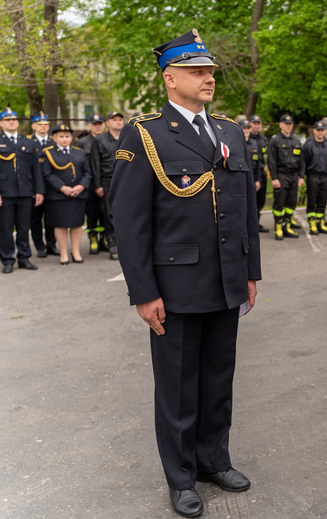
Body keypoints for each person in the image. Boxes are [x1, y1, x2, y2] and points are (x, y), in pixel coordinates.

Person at [109, 29, 261, 518]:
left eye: (211, 71)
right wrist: (143, 291)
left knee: (219, 378)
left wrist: (250, 272)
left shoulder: (230, 132)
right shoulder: (146, 134)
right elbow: (129, 221)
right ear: (170, 78)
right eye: (198, 71)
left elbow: (244, 209)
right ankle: (179, 477)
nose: (208, 78)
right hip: (174, 285)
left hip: (225, 280)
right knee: (177, 386)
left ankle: (212, 459)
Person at [0, 107, 44, 273]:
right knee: (5, 228)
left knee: (23, 226)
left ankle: (24, 257)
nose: (12, 122)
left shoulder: (27, 141)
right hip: (4, 192)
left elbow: (36, 169)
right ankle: (7, 260)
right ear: (1, 123)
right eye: (7, 120)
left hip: (25, 191)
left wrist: (39, 191)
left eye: (14, 119)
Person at [41, 124, 90, 265]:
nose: (64, 139)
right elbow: (47, 174)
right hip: (59, 196)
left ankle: (76, 251)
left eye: (67, 136)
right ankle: (63, 252)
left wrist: (81, 186)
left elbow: (87, 172)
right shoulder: (48, 153)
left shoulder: (79, 152)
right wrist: (62, 188)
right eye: (61, 136)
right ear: (54, 138)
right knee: (61, 224)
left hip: (78, 194)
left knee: (76, 224)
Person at [91, 111, 124, 260]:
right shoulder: (99, 140)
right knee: (109, 213)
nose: (118, 122)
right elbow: (95, 164)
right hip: (107, 181)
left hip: (125, 181)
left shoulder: (127, 138)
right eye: (114, 120)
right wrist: (98, 185)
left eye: (120, 119)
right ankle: (113, 243)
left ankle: (125, 242)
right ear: (107, 123)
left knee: (125, 213)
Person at [267, 114, 304, 239]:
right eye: (286, 124)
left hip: (293, 176)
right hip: (281, 175)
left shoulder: (296, 140)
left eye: (290, 124)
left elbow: (302, 160)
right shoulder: (275, 140)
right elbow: (271, 161)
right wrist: (274, 178)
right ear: (281, 125)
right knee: (279, 203)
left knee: (291, 203)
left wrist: (301, 176)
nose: (288, 126)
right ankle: (278, 228)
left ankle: (287, 227)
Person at [75, 113, 107, 254]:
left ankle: (105, 239)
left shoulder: (108, 140)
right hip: (90, 182)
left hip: (105, 181)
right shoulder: (82, 142)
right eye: (95, 124)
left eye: (100, 123)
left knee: (106, 212)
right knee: (92, 213)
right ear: (89, 126)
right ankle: (93, 239)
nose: (98, 126)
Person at [29, 112, 59, 257]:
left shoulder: (54, 142)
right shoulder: (28, 142)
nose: (43, 127)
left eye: (46, 124)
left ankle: (51, 245)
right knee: (35, 218)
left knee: (51, 218)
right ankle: (40, 246)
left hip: (51, 186)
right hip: (34, 186)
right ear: (33, 126)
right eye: (40, 124)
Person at [302, 120, 327, 234]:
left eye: (322, 130)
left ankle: (321, 222)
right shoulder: (309, 144)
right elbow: (304, 161)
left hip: (325, 176)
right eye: (318, 130)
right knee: (312, 200)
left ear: (325, 131)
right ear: (314, 131)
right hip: (313, 176)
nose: (320, 132)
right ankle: (312, 223)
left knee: (322, 201)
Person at [248, 115, 268, 232]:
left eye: (258, 123)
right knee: (250, 200)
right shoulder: (245, 137)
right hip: (251, 173)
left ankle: (257, 222)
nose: (256, 125)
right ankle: (250, 224)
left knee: (260, 200)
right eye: (254, 123)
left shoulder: (263, 139)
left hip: (260, 173)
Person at [240, 119, 265, 208]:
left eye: (248, 128)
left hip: (253, 177)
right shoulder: (236, 143)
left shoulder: (254, 143)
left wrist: (258, 180)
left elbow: (258, 163)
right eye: (244, 128)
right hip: (241, 178)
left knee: (253, 203)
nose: (246, 131)